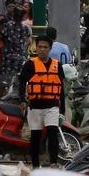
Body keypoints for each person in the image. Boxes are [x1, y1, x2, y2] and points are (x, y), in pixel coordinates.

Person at [18, 36, 66, 168]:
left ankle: (53, 163)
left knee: (52, 132)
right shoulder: (30, 64)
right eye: (40, 47)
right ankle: (35, 165)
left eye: (45, 47)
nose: (42, 50)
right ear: (36, 48)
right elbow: (22, 83)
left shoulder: (57, 66)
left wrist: (63, 109)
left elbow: (61, 87)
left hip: (52, 105)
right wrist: (22, 100)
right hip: (35, 106)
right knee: (35, 136)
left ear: (50, 49)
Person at [0, 4, 30, 97]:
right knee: (18, 82)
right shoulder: (25, 28)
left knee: (3, 83)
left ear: (13, 15)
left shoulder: (7, 26)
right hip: (20, 58)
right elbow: (27, 42)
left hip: (8, 58)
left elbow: (1, 37)